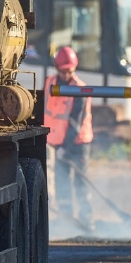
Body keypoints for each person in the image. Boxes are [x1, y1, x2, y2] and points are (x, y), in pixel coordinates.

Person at [44, 46, 94, 230]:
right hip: (57, 143)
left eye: (69, 71)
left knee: (80, 182)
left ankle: (87, 220)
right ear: (57, 68)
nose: (66, 75)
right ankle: (66, 221)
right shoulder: (49, 83)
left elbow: (75, 122)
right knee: (62, 183)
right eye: (63, 71)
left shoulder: (80, 89)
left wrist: (66, 147)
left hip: (78, 143)